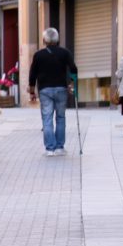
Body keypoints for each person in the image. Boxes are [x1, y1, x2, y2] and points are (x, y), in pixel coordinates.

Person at [28, 28, 78, 156]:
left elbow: (32, 73)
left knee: (47, 118)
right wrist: (72, 83)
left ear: (44, 40)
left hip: (45, 89)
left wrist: (32, 90)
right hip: (61, 88)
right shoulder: (65, 53)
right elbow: (73, 68)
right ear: (57, 39)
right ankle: (60, 147)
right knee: (61, 117)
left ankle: (50, 149)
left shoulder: (38, 55)